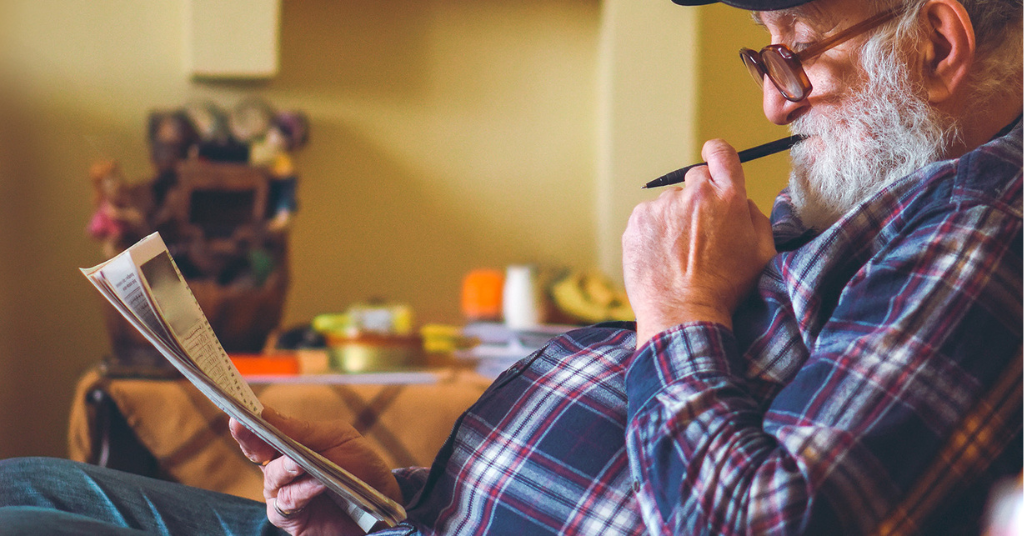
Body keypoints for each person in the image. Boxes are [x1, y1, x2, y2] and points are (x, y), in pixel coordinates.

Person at [1, 0, 1020, 533]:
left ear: (936, 41)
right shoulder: (878, 193)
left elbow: (758, 523)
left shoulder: (977, 233)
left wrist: (676, 309)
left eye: (794, 54)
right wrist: (386, 490)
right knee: (22, 489)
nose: (771, 103)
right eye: (763, 59)